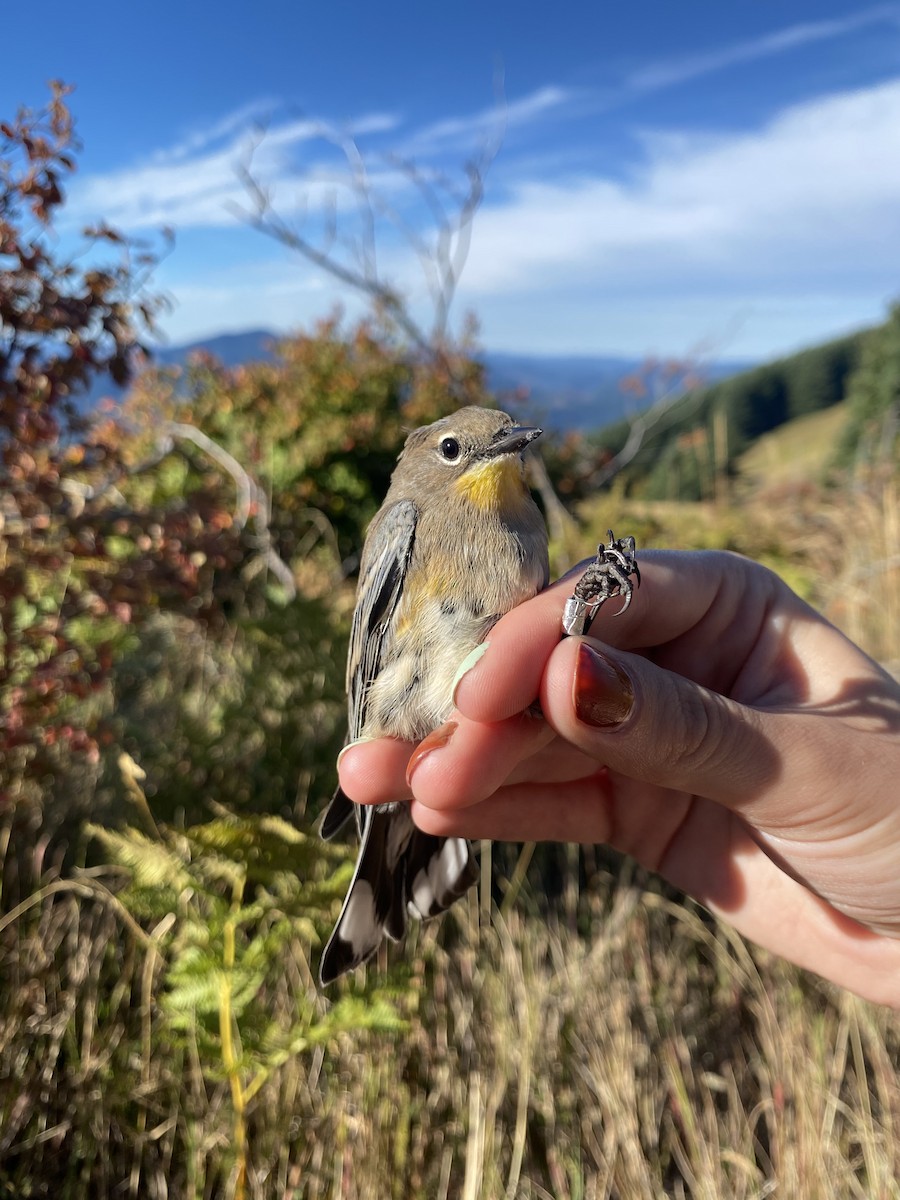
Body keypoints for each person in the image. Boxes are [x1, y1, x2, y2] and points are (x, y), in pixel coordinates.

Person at [336, 549, 900, 1008]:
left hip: (479, 727)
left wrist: (581, 614)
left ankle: (393, 880)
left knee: (550, 692)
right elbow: (368, 648)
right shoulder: (410, 521)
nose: (500, 454)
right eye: (456, 451)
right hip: (401, 711)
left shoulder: (520, 523)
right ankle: (386, 875)